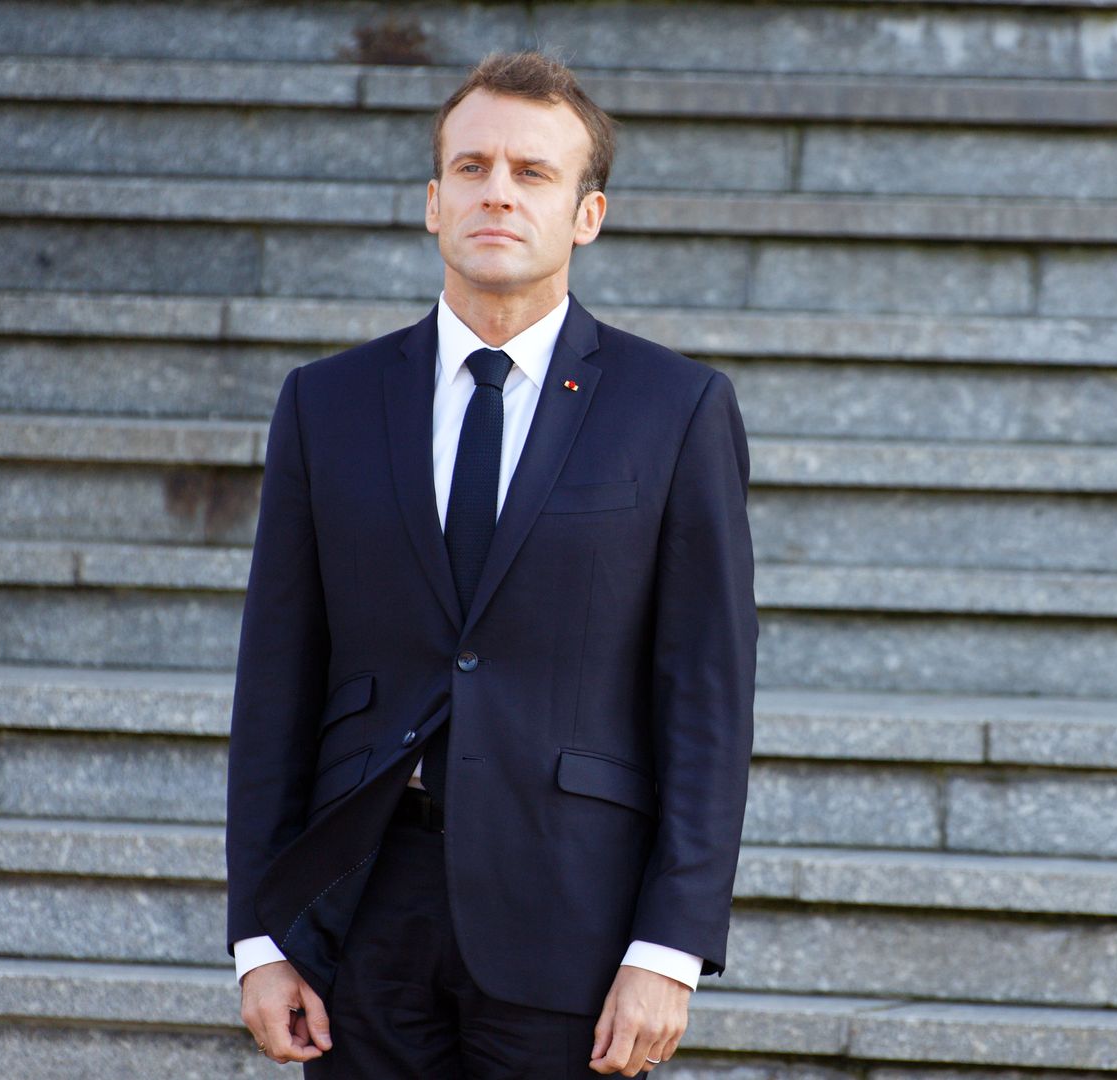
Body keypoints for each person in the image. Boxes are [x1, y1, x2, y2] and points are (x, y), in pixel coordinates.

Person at [223, 49, 757, 1078]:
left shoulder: (675, 409)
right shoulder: (324, 405)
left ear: (585, 216)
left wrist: (670, 947)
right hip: (360, 911)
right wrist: (260, 935)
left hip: (575, 919)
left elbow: (707, 695)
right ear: (433, 202)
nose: (497, 193)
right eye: (471, 169)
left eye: (533, 173)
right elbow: (276, 680)